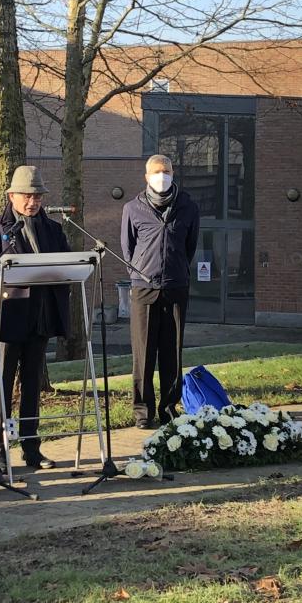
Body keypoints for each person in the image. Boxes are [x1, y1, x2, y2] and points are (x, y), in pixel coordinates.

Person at [0, 165, 70, 469]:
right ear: (12, 195)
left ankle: (31, 449)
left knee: (31, 386)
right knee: (2, 385)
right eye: (27, 196)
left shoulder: (53, 229)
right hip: (8, 319)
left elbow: (67, 266)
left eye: (38, 196)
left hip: (41, 318)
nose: (33, 202)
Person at [121, 154, 200, 429]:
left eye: (165, 171)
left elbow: (190, 246)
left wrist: (177, 271)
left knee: (171, 352)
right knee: (143, 354)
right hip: (144, 289)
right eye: (156, 171)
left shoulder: (188, 207)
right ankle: (143, 413)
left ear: (173, 173)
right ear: (146, 177)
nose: (161, 175)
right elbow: (127, 248)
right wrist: (140, 273)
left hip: (176, 288)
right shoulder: (133, 208)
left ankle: (169, 410)